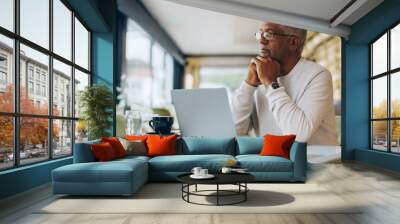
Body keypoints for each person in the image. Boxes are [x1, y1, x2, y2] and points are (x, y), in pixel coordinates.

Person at [232, 22, 338, 145]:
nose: (261, 41)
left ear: (293, 42)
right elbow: (235, 131)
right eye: (261, 34)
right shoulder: (259, 76)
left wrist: (270, 83)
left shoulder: (318, 74)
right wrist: (248, 85)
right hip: (272, 162)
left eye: (269, 34)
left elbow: (298, 136)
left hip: (314, 163)